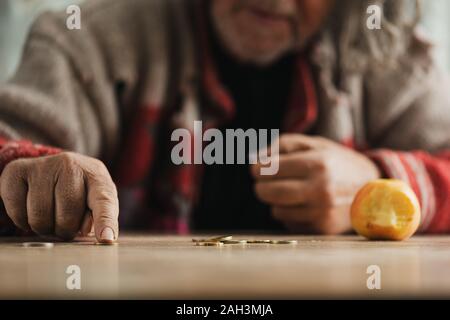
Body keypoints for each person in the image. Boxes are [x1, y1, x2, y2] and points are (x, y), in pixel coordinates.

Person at [0, 0, 449, 243]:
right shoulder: (92, 40)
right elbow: (8, 145)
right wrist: (29, 173)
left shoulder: (387, 54)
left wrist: (375, 178)